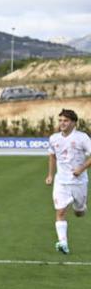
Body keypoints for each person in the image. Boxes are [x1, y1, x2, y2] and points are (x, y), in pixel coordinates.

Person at [46, 109, 91, 254]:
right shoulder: (54, 138)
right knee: (60, 211)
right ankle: (63, 243)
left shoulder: (82, 138)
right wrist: (50, 175)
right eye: (60, 120)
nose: (62, 123)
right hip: (61, 181)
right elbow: (52, 156)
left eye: (65, 121)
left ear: (73, 122)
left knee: (79, 212)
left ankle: (81, 207)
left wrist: (82, 168)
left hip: (79, 182)